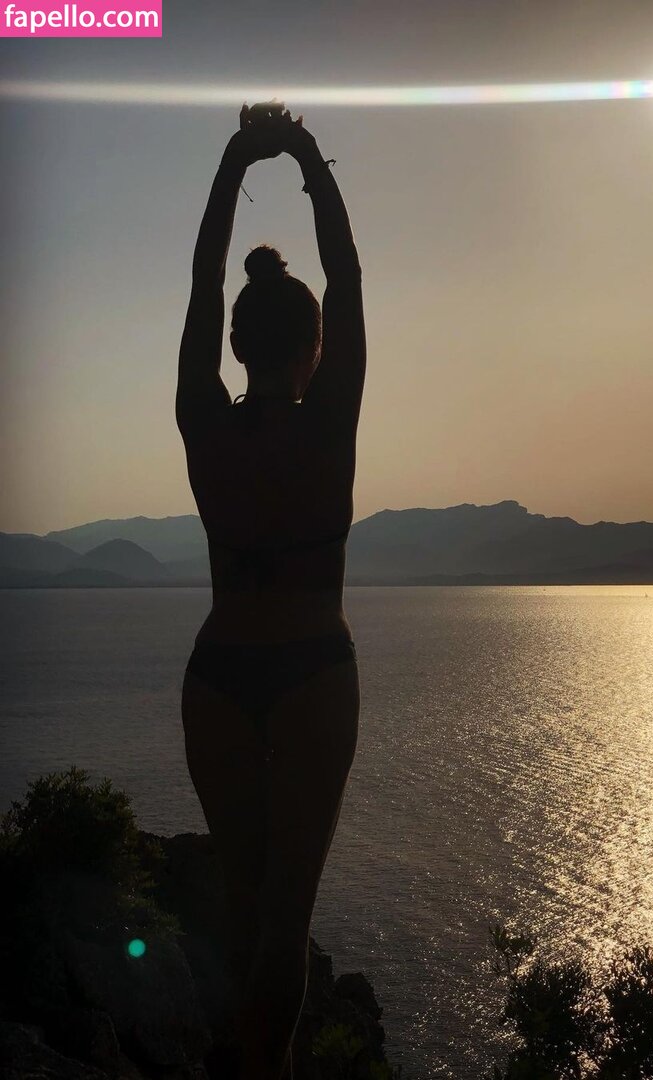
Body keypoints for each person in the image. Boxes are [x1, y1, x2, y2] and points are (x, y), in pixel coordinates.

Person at [176, 101, 365, 1080]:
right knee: (286, 921)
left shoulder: (204, 418)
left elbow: (204, 279)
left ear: (237, 344)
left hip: (217, 674)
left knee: (245, 908)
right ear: (315, 347)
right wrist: (301, 155)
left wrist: (234, 161)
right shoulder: (329, 421)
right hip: (310, 674)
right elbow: (347, 271)